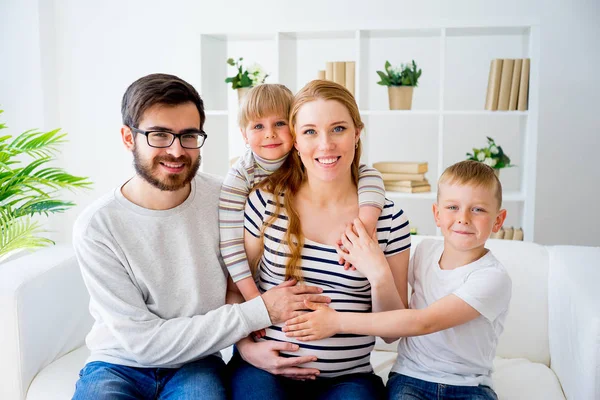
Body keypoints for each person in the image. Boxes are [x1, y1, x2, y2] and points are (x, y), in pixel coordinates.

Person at [71, 73, 330, 399]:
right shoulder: (97, 227)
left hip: (197, 362)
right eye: (159, 135)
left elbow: (241, 281)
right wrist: (262, 310)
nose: (177, 150)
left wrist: (248, 346)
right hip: (117, 363)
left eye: (189, 135)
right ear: (127, 138)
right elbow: (143, 343)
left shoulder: (227, 199)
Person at [227, 80, 412, 399]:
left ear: (357, 133)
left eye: (338, 129)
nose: (325, 145)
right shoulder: (266, 202)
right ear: (296, 140)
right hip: (263, 369)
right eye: (310, 131)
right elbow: (233, 291)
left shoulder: (389, 219)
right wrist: (245, 349)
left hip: (347, 379)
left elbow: (393, 333)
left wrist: (378, 274)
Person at [283, 160, 511, 400]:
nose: (463, 218)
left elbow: (423, 323)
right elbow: (396, 303)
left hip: (470, 387)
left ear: (498, 220)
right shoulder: (425, 251)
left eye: (478, 210)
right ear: (437, 214)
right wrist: (375, 267)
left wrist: (336, 322)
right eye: (453, 207)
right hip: (411, 379)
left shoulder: (492, 278)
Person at [219, 83, 388, 307]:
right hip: (259, 295)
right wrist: (257, 306)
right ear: (244, 135)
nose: (270, 134)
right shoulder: (243, 179)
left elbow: (368, 175)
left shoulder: (306, 157)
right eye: (258, 126)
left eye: (279, 123)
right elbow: (230, 247)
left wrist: (364, 228)